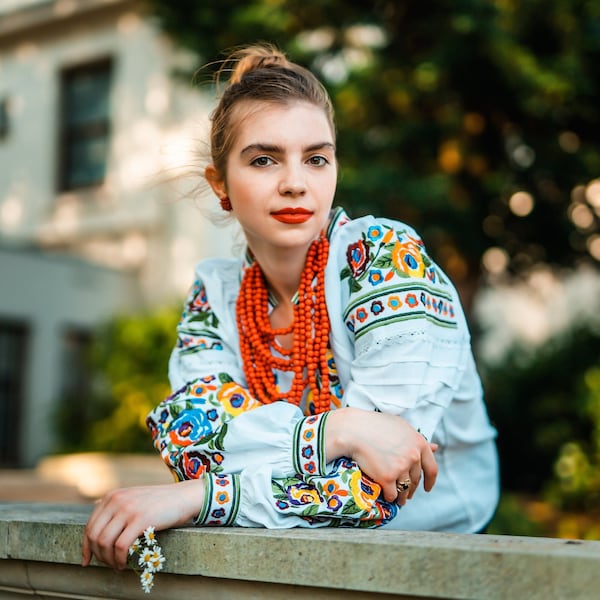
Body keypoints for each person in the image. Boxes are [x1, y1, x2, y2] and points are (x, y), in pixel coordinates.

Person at [82, 43, 499, 570]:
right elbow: (195, 445)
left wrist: (197, 498)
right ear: (221, 186)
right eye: (263, 159)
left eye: (316, 158)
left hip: (434, 554)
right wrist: (341, 431)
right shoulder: (217, 295)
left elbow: (374, 488)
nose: (296, 183)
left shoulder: (384, 261)